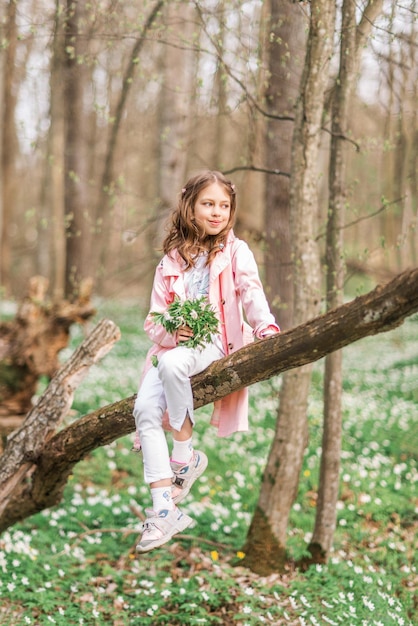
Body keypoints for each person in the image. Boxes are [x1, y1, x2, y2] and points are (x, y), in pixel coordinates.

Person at [134, 170, 280, 553]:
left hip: (215, 341)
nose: (217, 212)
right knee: (145, 409)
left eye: (224, 205)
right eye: (208, 204)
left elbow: (250, 290)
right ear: (191, 207)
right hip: (173, 349)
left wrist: (265, 327)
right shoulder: (169, 261)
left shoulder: (235, 250)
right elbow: (153, 320)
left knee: (172, 366)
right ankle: (164, 510)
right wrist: (172, 331)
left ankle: (183, 457)